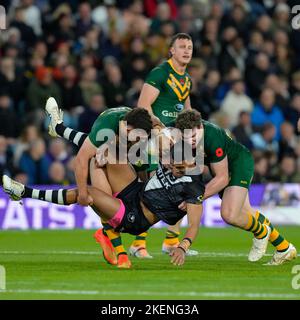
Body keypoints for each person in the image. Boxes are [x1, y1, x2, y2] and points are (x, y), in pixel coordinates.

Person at [2, 141, 205, 267]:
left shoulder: (193, 188)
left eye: (177, 165)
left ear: (191, 164)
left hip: (136, 217)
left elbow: (194, 225)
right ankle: (107, 229)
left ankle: (24, 192)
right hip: (134, 191)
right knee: (102, 154)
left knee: (86, 192)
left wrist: (182, 247)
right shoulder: (171, 160)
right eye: (171, 161)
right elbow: (146, 167)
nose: (170, 165)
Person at [174, 109, 297, 265]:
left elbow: (222, 178)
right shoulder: (175, 128)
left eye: (193, 136)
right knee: (247, 213)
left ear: (200, 127)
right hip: (223, 167)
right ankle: (284, 248)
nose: (190, 141)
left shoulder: (212, 136)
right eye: (186, 137)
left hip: (238, 163)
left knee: (229, 215)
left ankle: (261, 232)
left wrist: (195, 198)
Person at [45, 97, 153, 268]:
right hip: (107, 142)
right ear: (125, 126)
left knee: (108, 156)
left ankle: (58, 128)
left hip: (118, 149)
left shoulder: (147, 126)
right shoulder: (106, 124)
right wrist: (82, 193)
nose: (136, 141)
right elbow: (80, 160)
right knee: (103, 189)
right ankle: (119, 250)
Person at [133, 32, 194, 258]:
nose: (187, 50)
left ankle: (171, 241)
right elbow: (143, 105)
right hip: (155, 139)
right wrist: (159, 130)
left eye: (189, 46)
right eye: (182, 46)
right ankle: (139, 243)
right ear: (171, 50)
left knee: (181, 188)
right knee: (151, 190)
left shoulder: (186, 79)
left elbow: (187, 111)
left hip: (176, 140)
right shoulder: (160, 73)